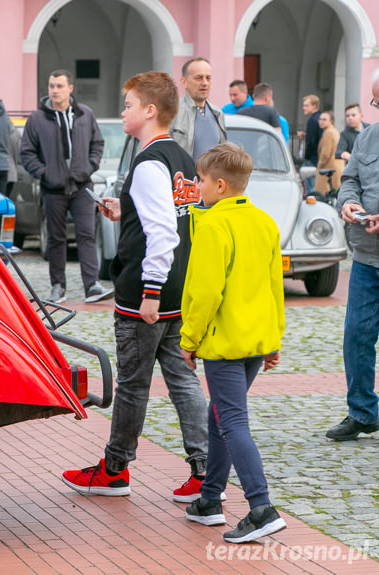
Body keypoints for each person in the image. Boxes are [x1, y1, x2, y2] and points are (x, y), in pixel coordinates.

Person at [61, 72, 208, 502]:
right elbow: (177, 214)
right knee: (182, 380)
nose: (122, 111)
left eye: (128, 104)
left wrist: (150, 292)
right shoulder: (179, 155)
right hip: (179, 289)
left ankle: (114, 468)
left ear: (149, 111)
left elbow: (164, 232)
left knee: (132, 384)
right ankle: (204, 468)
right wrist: (124, 210)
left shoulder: (147, 163)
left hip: (147, 293)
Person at [180, 142, 287, 543]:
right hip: (256, 342)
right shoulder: (264, 222)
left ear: (220, 185)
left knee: (233, 421)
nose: (197, 185)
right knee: (220, 416)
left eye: (201, 180)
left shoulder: (212, 226)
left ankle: (261, 507)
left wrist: (189, 340)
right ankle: (210, 500)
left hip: (224, 343)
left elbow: (206, 293)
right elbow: (274, 285)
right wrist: (273, 338)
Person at [20, 69, 110, 304]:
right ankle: (57, 287)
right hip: (53, 189)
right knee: (56, 238)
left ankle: (92, 286)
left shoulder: (85, 114)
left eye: (59, 86)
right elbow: (27, 153)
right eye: (51, 86)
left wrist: (89, 166)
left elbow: (97, 144)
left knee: (86, 234)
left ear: (70, 88)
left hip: (81, 186)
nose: (54, 91)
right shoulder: (37, 118)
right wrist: (44, 174)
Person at [326, 72, 379, 442]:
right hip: (367, 257)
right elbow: (350, 179)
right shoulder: (368, 136)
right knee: (357, 336)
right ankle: (362, 412)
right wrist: (350, 202)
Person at [170, 57, 226, 160]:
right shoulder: (172, 111)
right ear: (184, 82)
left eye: (208, 78)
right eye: (198, 78)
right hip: (181, 175)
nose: (204, 83)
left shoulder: (218, 113)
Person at [314, 111, 343, 198]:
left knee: (323, 197)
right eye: (320, 119)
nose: (321, 121)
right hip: (335, 166)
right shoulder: (334, 131)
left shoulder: (328, 133)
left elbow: (325, 153)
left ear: (331, 121)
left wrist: (319, 166)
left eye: (324, 119)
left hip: (327, 167)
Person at [297, 94, 322, 196]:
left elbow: (311, 142)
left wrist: (306, 158)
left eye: (306, 105)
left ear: (314, 106)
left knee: (309, 188)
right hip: (318, 157)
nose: (304, 108)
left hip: (312, 159)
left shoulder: (312, 120)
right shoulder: (319, 118)